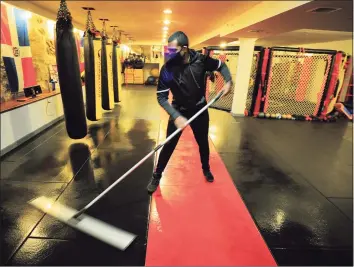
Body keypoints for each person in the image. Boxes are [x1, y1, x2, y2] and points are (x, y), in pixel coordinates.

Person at [147, 31, 233, 194]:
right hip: (178, 109)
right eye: (169, 50)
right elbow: (161, 96)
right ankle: (157, 175)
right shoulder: (168, 68)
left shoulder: (200, 60)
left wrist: (228, 81)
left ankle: (206, 168)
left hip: (199, 109)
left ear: (185, 48)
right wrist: (175, 116)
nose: (170, 54)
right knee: (169, 144)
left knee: (202, 141)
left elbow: (221, 66)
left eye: (173, 50)